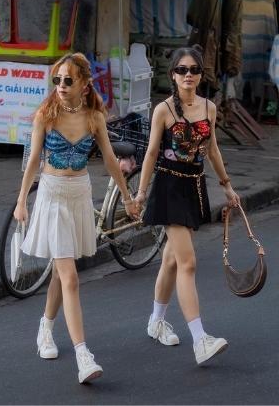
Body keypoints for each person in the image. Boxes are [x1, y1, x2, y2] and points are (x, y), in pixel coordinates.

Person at [14, 52, 139, 384]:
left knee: (61, 270)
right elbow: (34, 161)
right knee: (69, 276)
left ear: (85, 84)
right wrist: (21, 202)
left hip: (79, 195)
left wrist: (127, 197)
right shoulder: (46, 115)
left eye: (68, 80)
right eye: (57, 79)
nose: (61, 86)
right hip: (52, 195)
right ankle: (84, 355)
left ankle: (46, 327)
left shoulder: (95, 118)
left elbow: (111, 161)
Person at [134, 46, 241, 365]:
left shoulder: (209, 107)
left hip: (194, 186)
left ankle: (156, 321)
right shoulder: (164, 110)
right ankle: (200, 339)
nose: (188, 75)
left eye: (194, 69)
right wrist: (140, 193)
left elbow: (212, 150)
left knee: (170, 260)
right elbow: (152, 153)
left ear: (200, 74)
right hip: (169, 187)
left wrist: (227, 186)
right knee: (188, 263)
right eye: (182, 70)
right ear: (173, 75)